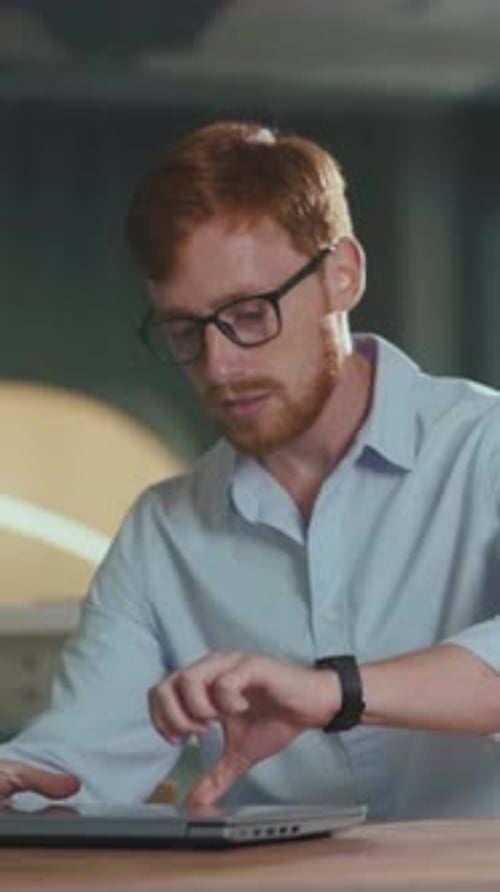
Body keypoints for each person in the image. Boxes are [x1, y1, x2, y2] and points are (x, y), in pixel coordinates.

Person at [1, 120, 500, 821]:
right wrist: (16, 784)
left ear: (341, 274)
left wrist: (333, 692)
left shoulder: (485, 447)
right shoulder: (162, 532)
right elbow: (71, 766)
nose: (219, 365)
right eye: (184, 329)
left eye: (249, 313)